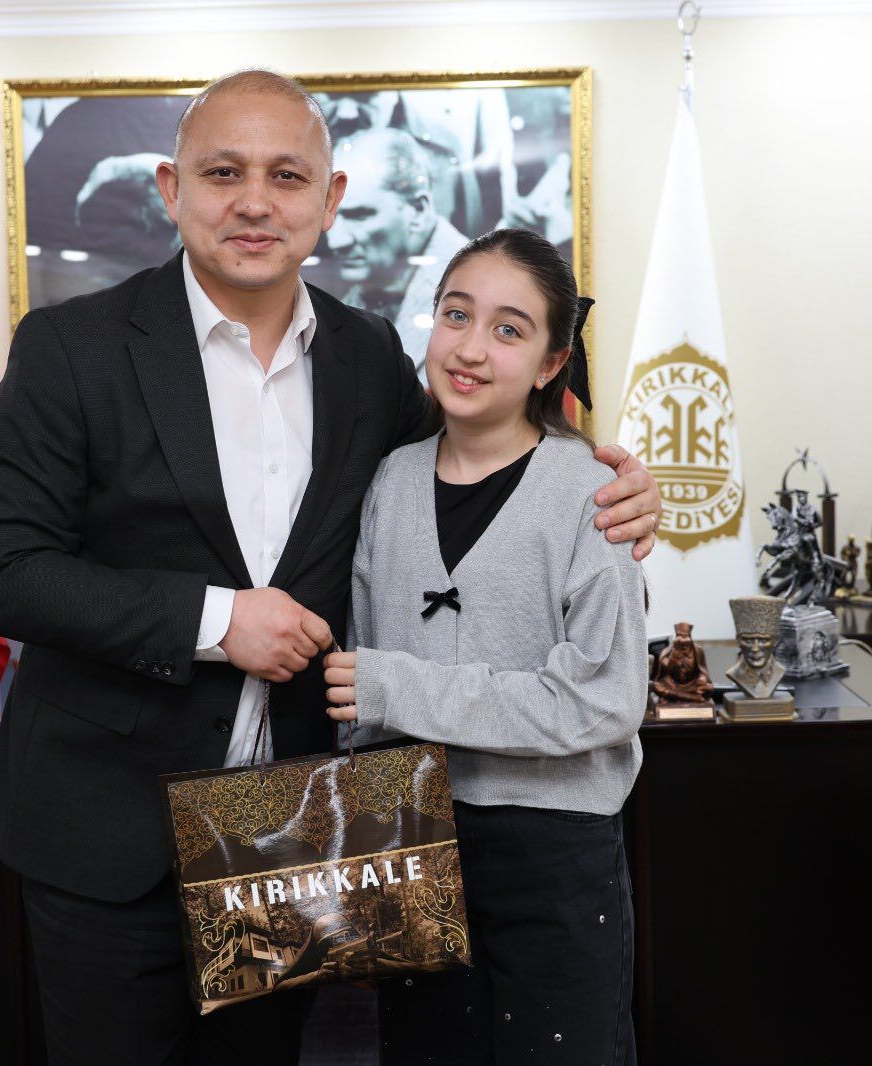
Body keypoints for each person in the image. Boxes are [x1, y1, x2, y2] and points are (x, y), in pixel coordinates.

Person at [0, 70, 662, 1066]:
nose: (255, 201)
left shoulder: (369, 357)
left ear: (328, 201)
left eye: (286, 176)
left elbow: (475, 462)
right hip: (106, 838)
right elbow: (0, 572)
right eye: (224, 172)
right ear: (170, 189)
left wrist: (611, 481)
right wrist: (216, 620)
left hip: (286, 836)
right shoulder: (71, 347)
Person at [325, 229, 647, 1065]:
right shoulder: (389, 480)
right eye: (455, 315)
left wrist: (400, 688)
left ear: (550, 363)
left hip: (554, 855)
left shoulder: (594, 495)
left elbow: (605, 701)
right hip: (413, 841)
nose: (470, 349)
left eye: (509, 330)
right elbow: (358, 682)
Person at [328, 127, 468, 381]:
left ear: (418, 210)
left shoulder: (482, 287)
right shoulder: (348, 302)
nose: (336, 240)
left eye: (359, 215)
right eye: (331, 215)